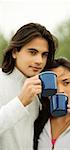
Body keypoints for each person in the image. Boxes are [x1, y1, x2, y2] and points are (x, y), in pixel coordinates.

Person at [0, 22, 57, 150]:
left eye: (44, 55)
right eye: (32, 52)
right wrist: (20, 102)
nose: (39, 61)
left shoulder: (38, 90)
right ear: (15, 52)